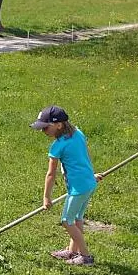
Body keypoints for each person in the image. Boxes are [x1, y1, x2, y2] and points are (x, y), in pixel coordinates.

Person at [30, 105, 103, 266]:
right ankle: (72, 251)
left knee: (66, 221)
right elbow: (84, 157)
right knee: (77, 219)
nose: (43, 131)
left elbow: (51, 174)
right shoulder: (78, 133)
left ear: (59, 125)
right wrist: (91, 175)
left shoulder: (58, 146)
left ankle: (86, 257)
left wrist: (46, 197)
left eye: (45, 127)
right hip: (88, 184)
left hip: (78, 189)